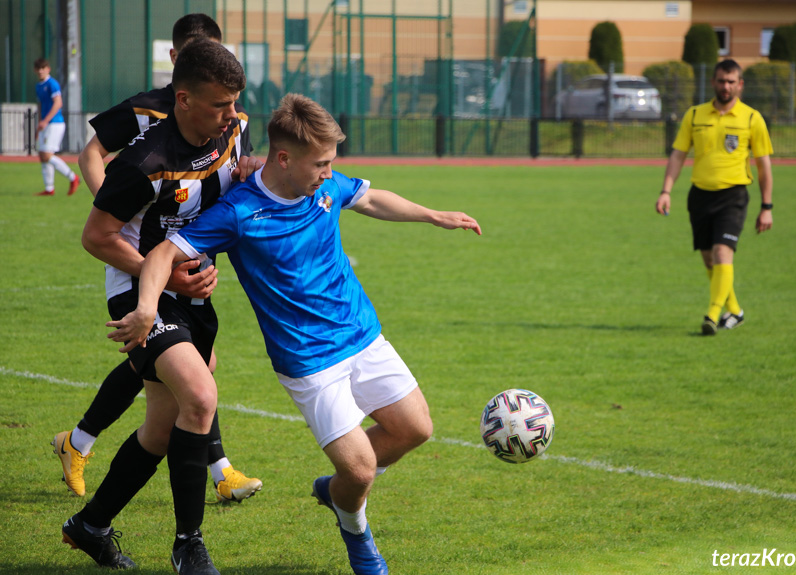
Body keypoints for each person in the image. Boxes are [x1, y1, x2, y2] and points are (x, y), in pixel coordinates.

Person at [106, 93, 482, 575]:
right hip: (309, 360)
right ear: (284, 158)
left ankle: (334, 491)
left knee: (416, 429)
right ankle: (356, 530)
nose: (328, 173)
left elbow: (368, 196)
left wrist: (435, 215)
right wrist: (145, 307)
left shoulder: (323, 185)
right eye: (320, 164)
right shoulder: (240, 212)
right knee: (362, 469)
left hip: (362, 335)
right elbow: (161, 255)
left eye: (331, 163)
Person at [53, 13, 262, 505]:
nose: (230, 110)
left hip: (188, 269)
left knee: (178, 384)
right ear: (177, 64)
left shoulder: (230, 121)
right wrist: (119, 211)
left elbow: (233, 182)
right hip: (140, 262)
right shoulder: (148, 120)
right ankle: (217, 476)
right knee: (190, 380)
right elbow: (92, 160)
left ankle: (80, 455)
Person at [656, 58, 773, 335]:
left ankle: (711, 315)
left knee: (723, 253)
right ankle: (735, 311)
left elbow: (763, 166)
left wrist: (766, 206)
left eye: (732, 82)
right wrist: (665, 191)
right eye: (721, 81)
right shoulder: (695, 115)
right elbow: (678, 155)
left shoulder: (752, 118)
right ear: (713, 82)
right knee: (710, 260)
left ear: (740, 85)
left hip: (733, 196)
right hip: (700, 196)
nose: (726, 86)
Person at [33, 58, 80, 196]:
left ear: (48, 69)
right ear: (35, 70)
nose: (41, 70)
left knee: (47, 155)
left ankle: (73, 177)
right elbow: (41, 105)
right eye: (38, 68)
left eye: (43, 68)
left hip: (55, 123)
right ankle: (49, 188)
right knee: (42, 155)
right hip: (46, 123)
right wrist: (40, 123)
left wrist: (46, 120)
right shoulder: (38, 86)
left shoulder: (52, 84)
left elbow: (58, 103)